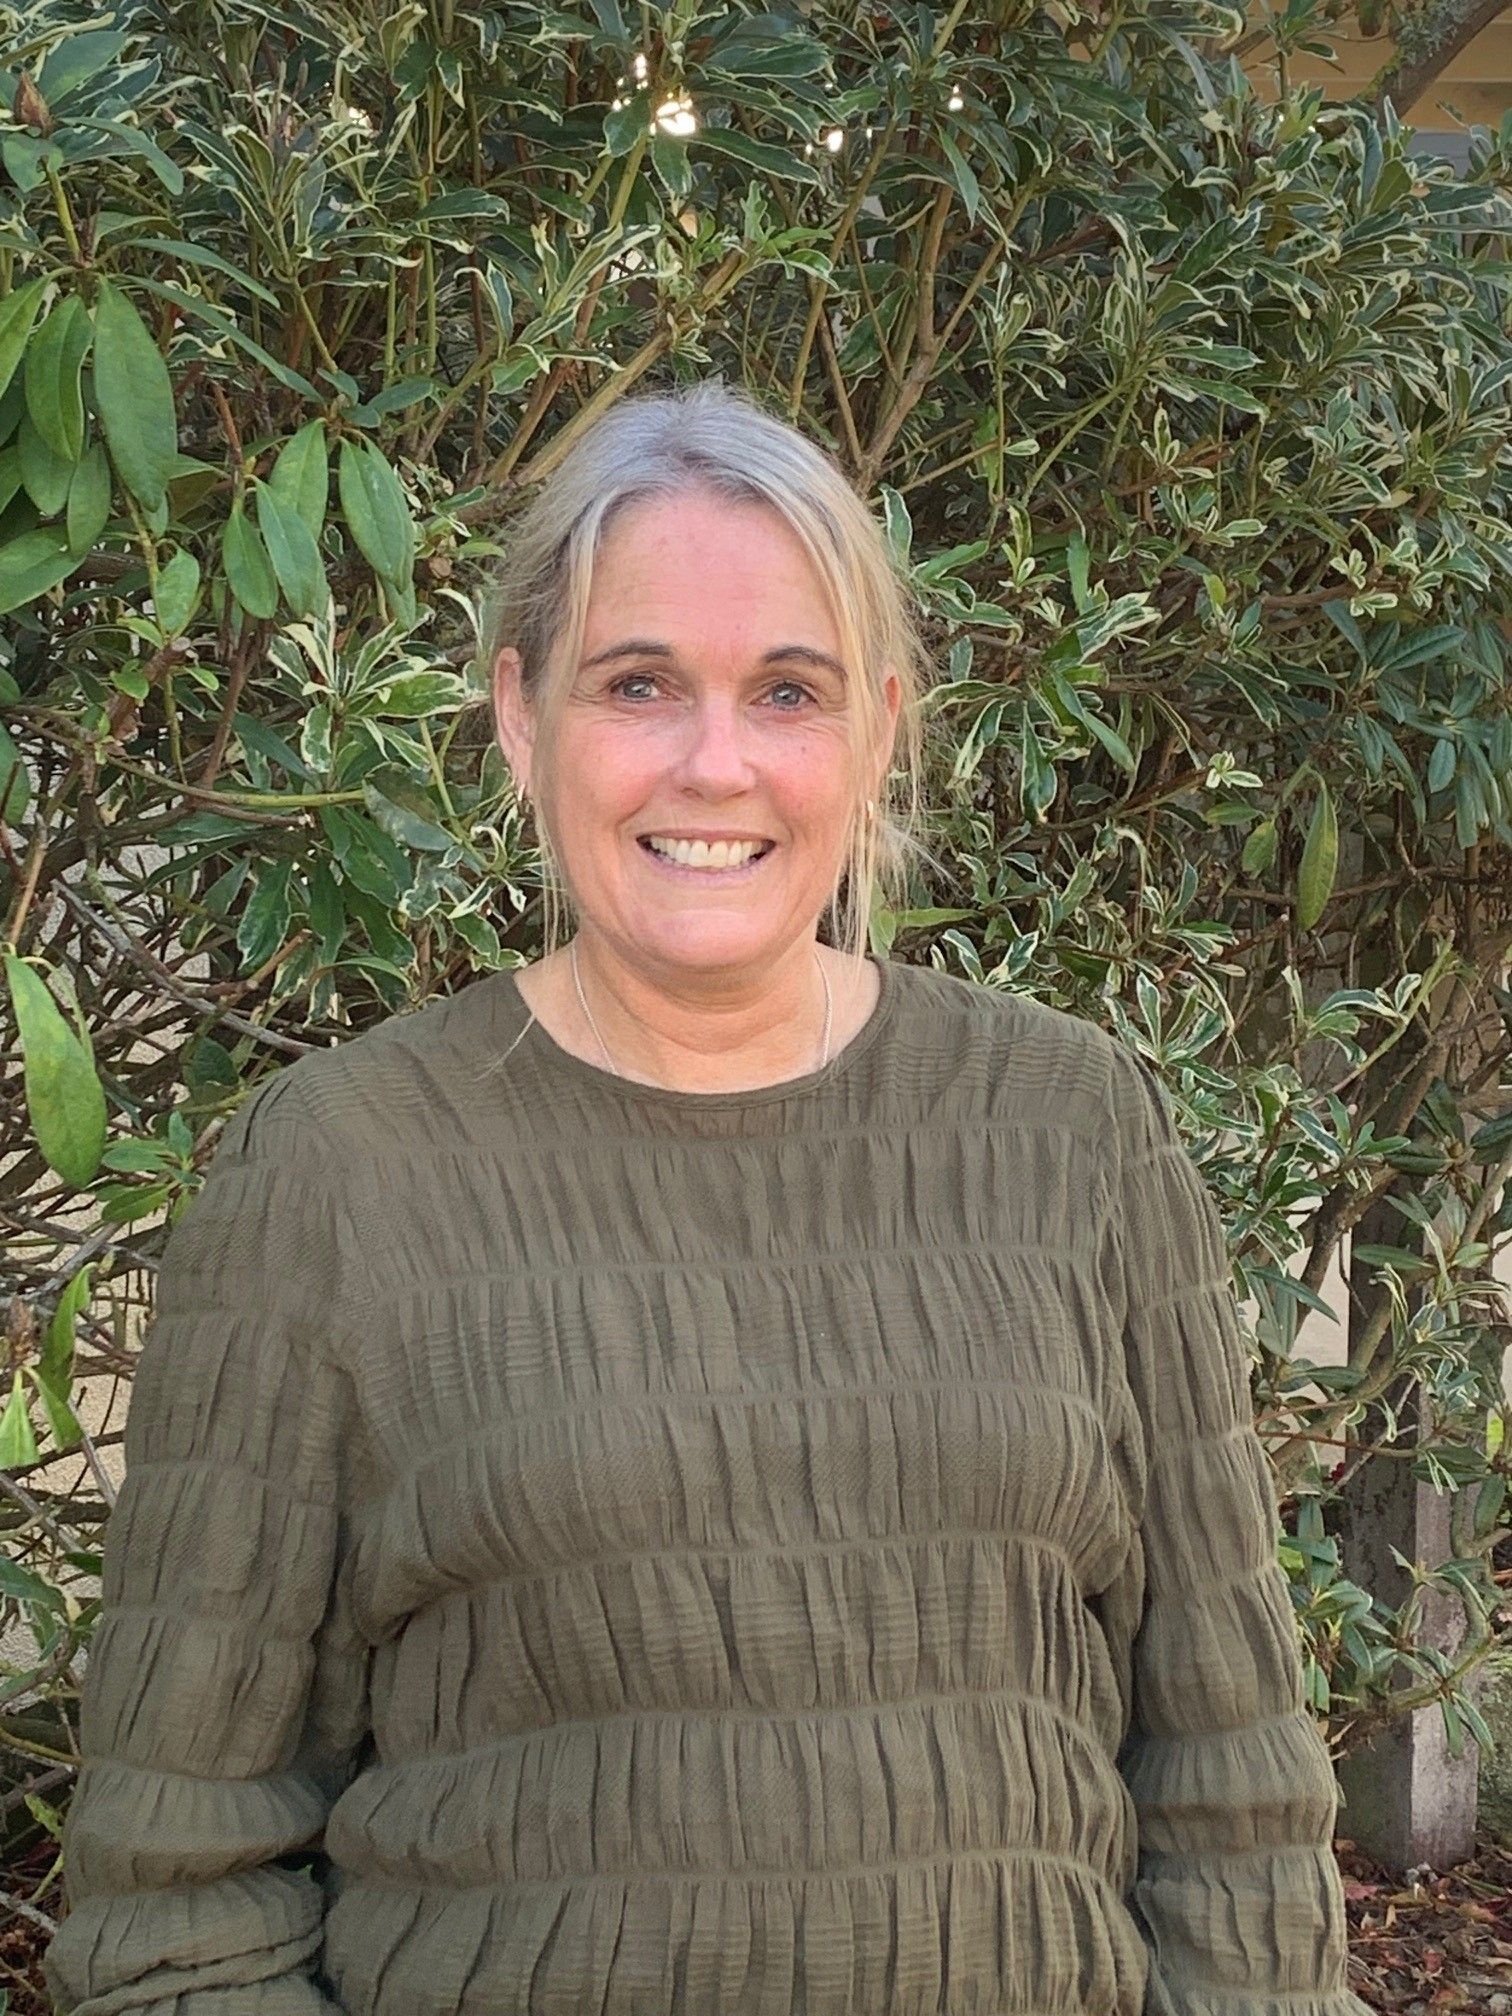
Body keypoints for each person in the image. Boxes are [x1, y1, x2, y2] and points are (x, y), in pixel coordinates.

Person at [43, 378, 1371, 2016]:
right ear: (522, 716)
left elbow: (1237, 1811)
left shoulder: (1075, 1130)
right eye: (639, 684)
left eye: (789, 692)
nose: (716, 763)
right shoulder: (335, 1172)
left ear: (879, 729)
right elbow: (177, 1903)